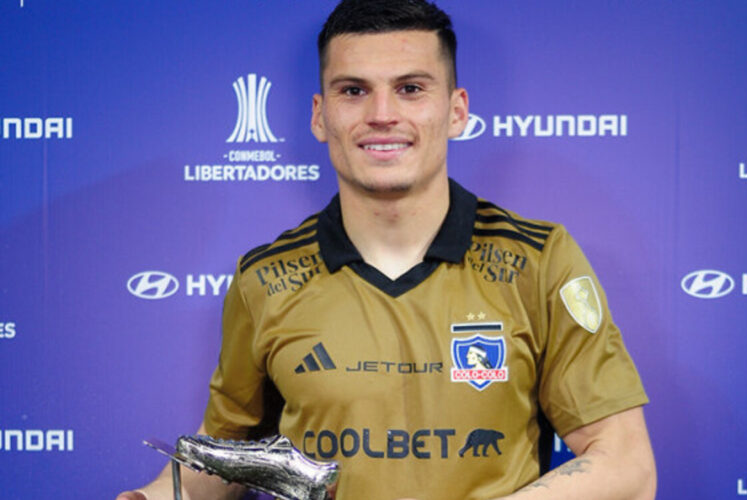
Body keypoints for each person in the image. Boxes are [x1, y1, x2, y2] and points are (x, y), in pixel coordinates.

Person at [118, 1, 656, 498]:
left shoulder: (540, 261)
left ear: (456, 110)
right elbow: (228, 456)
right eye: (353, 90)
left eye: (411, 89)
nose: (381, 114)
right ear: (319, 115)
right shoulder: (265, 277)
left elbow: (626, 462)